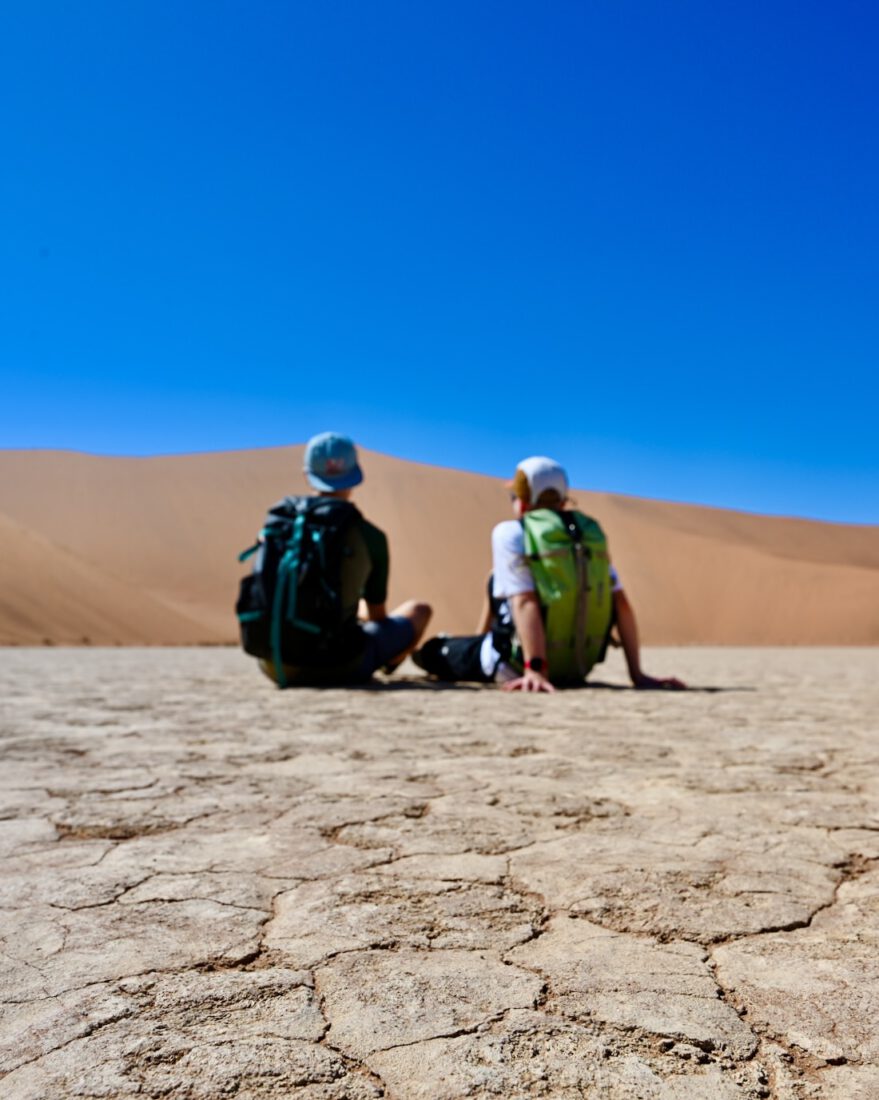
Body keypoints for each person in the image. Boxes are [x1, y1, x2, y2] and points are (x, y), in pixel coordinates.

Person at [413, 456, 685, 694]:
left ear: (523, 500)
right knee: (494, 578)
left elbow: (524, 601)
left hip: (515, 664)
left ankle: (436, 649)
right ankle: (478, 640)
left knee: (433, 651)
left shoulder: (512, 533)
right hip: (577, 669)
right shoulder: (587, 537)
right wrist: (637, 674)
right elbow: (621, 605)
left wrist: (536, 669)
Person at [237, 432, 431, 686]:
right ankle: (389, 664)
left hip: (275, 666)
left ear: (307, 474)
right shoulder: (370, 536)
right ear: (355, 475)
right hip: (341, 665)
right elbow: (377, 617)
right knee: (420, 610)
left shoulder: (280, 522)